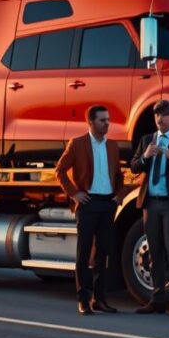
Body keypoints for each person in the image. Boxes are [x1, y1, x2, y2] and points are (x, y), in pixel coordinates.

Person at [55, 105, 124, 315]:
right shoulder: (77, 144)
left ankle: (99, 299)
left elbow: (119, 174)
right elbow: (60, 171)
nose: (107, 123)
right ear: (91, 122)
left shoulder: (113, 146)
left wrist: (118, 197)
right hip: (87, 203)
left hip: (107, 203)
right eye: (103, 120)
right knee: (84, 252)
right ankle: (83, 299)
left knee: (103, 252)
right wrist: (75, 193)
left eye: (108, 119)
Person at [129, 100, 169, 317]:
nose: (160, 119)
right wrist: (145, 156)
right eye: (157, 115)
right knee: (154, 251)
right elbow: (134, 166)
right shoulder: (147, 140)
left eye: (164, 115)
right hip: (150, 202)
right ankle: (156, 299)